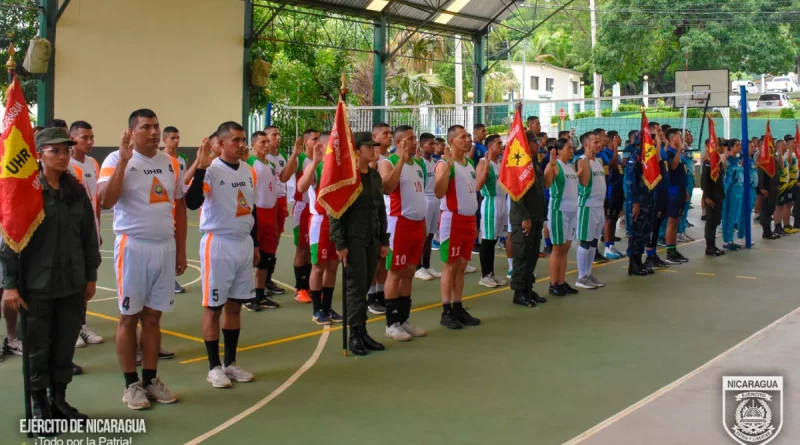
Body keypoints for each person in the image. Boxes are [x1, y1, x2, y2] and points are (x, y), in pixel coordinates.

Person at [0, 127, 100, 423]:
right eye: (54, 150)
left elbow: (88, 237)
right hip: (37, 286)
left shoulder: (75, 191)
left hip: (71, 283)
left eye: (66, 150)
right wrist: (10, 284)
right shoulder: (27, 193)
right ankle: (39, 403)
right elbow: (9, 241)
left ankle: (59, 400)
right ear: (39, 155)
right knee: (37, 349)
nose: (62, 156)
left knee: (64, 345)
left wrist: (91, 275)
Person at [98, 109, 185, 409]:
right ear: (132, 132)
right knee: (129, 316)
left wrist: (181, 249)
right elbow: (105, 201)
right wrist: (123, 160)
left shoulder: (170, 162)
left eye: (156, 126)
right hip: (133, 247)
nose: (153, 132)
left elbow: (179, 209)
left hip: (164, 247)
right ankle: (130, 384)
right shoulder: (114, 160)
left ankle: (150, 378)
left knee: (153, 316)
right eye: (146, 127)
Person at [185, 122, 257, 388]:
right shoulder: (211, 171)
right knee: (213, 307)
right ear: (222, 143)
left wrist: (256, 244)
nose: (241, 145)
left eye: (243, 140)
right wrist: (201, 167)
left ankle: (231, 363)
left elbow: (252, 209)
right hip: (219, 244)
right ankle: (213, 366)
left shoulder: (249, 170)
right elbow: (192, 202)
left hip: (243, 243)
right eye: (236, 140)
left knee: (235, 306)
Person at [330, 132, 388, 356]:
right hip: (353, 238)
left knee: (364, 285)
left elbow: (380, 209)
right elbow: (335, 213)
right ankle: (355, 333)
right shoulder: (347, 177)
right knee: (355, 286)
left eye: (375, 146)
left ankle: (362, 331)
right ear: (356, 151)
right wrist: (340, 243)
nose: (374, 150)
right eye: (369, 147)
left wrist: (384, 239)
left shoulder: (374, 176)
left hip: (372, 237)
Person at [378, 127, 428, 341]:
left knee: (408, 272)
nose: (414, 141)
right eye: (410, 139)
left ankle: (404, 318)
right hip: (399, 224)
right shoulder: (387, 162)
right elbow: (387, 188)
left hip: (417, 224)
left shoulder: (418, 164)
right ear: (399, 142)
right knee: (395, 272)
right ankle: (391, 323)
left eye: (415, 138)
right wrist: (401, 160)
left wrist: (423, 223)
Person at [435, 125, 481, 329]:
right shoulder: (445, 164)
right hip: (453, 220)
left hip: (468, 220)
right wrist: (446, 167)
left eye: (468, 136)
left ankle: (458, 306)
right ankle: (446, 311)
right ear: (452, 141)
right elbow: (438, 192)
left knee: (462, 265)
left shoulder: (470, 163)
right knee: (451, 265)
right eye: (462, 137)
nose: (467, 139)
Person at [296, 132, 344, 325]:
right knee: (318, 267)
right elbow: (300, 187)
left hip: (338, 222)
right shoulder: (315, 167)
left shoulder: (340, 168)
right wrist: (315, 163)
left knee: (332, 267)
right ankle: (317, 310)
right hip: (321, 222)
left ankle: (327, 306)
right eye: (333, 145)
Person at [67, 120, 102, 375]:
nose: (89, 142)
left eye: (91, 137)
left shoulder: (93, 164)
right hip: (71, 234)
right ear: (72, 139)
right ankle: (71, 328)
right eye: (84, 137)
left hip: (90, 231)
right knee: (72, 283)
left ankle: (82, 324)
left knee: (86, 282)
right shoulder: (66, 165)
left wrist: (97, 230)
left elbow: (97, 201)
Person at [508, 130, 548, 307]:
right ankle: (519, 292)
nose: (538, 145)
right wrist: (525, 217)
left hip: (536, 216)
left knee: (532, 255)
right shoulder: (519, 164)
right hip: (524, 218)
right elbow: (516, 194)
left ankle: (528, 289)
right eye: (534, 142)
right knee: (522, 255)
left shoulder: (533, 163)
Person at [244, 131, 280, 312]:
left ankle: (260, 295)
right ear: (253, 145)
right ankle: (247, 296)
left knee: (266, 258)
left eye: (268, 142)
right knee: (253, 257)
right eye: (262, 142)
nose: (266, 145)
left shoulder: (271, 164)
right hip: (256, 214)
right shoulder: (250, 164)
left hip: (271, 215)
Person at [544, 138, 580, 296]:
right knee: (558, 248)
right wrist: (550, 166)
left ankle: (561, 281)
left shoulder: (570, 167)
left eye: (572, 148)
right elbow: (546, 183)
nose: (572, 150)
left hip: (572, 211)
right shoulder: (554, 165)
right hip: (559, 211)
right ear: (558, 151)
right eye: (568, 148)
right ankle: (553, 284)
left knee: (565, 248)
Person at [475, 134, 508, 288]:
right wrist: (486, 169)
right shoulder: (483, 163)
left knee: (494, 239)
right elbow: (478, 185)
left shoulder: (501, 162)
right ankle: (485, 275)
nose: (501, 145)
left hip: (503, 202)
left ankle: (491, 274)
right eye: (498, 143)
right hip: (490, 202)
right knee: (487, 240)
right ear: (490, 147)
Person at [288, 131, 318, 303]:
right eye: (314, 139)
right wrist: (294, 155)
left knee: (311, 249)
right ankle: (300, 288)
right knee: (302, 249)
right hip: (302, 208)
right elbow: (285, 176)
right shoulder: (300, 160)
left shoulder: (320, 160)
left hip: (315, 209)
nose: (317, 141)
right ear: (306, 141)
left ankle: (309, 286)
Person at [366, 123, 393, 314]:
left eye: (390, 133)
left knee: (383, 255)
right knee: (373, 257)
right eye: (385, 133)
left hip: (385, 212)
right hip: (372, 212)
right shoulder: (371, 160)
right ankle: (371, 294)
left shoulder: (389, 159)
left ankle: (381, 292)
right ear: (375, 137)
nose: (389, 136)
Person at [575, 132, 607, 289]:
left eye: (599, 141)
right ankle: (581, 276)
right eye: (595, 142)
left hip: (599, 207)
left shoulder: (599, 161)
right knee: (585, 241)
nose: (599, 144)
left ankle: (588, 273)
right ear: (586, 144)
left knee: (594, 241)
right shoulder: (581, 161)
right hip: (587, 206)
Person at [161, 126, 189, 294]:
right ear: (164, 140)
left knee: (175, 242)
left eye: (178, 137)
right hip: (163, 207)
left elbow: (182, 184)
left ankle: (171, 277)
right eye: (172, 138)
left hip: (177, 205)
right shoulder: (160, 158)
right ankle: (167, 279)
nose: (176, 141)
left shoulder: (182, 159)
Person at [264, 126, 290, 296]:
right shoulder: (261, 158)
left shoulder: (282, 157)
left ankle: (268, 278)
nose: (278, 137)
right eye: (274, 134)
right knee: (265, 242)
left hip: (281, 201)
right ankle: (259, 281)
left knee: (275, 241)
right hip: (267, 202)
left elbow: (284, 178)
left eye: (279, 134)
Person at [625, 136, 655, 276]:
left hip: (647, 200)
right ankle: (633, 264)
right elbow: (631, 184)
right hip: (638, 202)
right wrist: (636, 203)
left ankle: (639, 261)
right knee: (636, 234)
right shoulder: (634, 160)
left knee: (644, 233)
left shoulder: (647, 159)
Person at [415, 133, 442, 281]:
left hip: (435, 200)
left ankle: (427, 264)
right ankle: (417, 267)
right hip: (424, 199)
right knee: (422, 236)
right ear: (422, 145)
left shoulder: (435, 161)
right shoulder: (419, 162)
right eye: (430, 144)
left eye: (435, 144)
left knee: (430, 234)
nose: (434, 146)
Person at [663, 129, 689, 263]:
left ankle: (673, 249)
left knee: (677, 220)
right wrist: (679, 150)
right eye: (679, 136)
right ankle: (669, 252)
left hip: (680, 189)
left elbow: (682, 172)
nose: (681, 137)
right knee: (672, 221)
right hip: (672, 190)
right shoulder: (669, 153)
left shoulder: (679, 154)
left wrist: (685, 190)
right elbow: (673, 166)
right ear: (672, 138)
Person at [601, 130, 626, 259]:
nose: (620, 140)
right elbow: (613, 165)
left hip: (618, 188)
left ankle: (612, 245)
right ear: (612, 140)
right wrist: (616, 150)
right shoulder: (606, 152)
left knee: (614, 218)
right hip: (610, 189)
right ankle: (607, 247)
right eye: (618, 138)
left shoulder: (616, 154)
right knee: (608, 219)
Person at [702, 138, 728, 256]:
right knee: (711, 222)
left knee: (716, 221)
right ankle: (709, 247)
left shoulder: (717, 161)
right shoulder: (708, 163)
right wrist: (706, 197)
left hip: (718, 196)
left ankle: (713, 245)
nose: (722, 147)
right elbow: (705, 181)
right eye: (719, 146)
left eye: (723, 146)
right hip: (711, 196)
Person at [722, 139, 744, 250]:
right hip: (730, 191)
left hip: (738, 191)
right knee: (728, 216)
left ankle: (730, 238)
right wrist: (725, 156)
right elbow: (723, 170)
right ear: (730, 147)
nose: (739, 147)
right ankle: (727, 240)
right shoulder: (728, 160)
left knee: (734, 216)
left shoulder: (738, 160)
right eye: (737, 145)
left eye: (740, 145)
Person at [759, 140, 782, 240]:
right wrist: (762, 188)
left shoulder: (773, 159)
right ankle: (766, 231)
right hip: (767, 189)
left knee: (771, 209)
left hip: (773, 188)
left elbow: (779, 171)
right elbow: (760, 175)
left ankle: (769, 231)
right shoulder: (763, 159)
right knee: (766, 210)